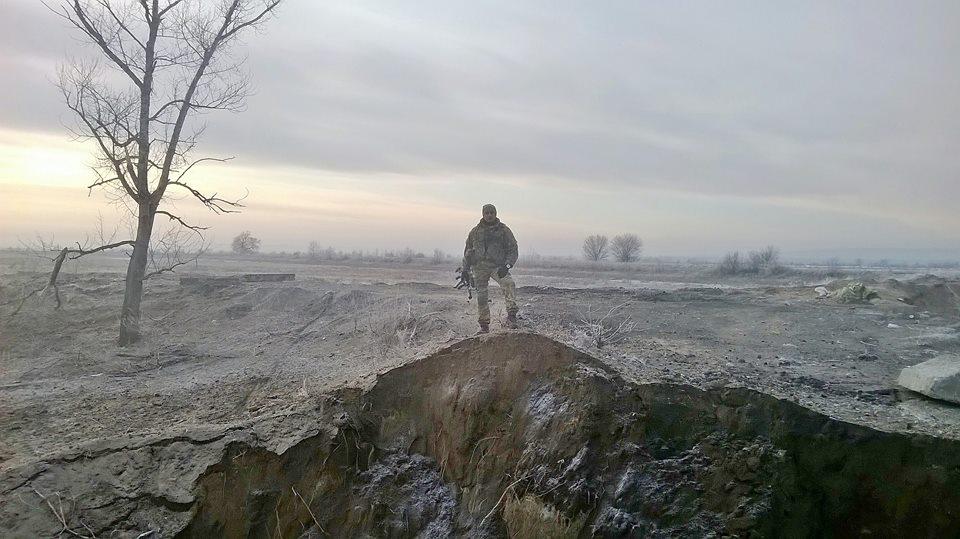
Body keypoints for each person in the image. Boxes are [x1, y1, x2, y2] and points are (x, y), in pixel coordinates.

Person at [462, 204, 519, 333]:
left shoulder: (504, 230)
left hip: (498, 266)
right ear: (483, 214)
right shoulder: (475, 232)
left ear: (495, 214)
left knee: (509, 284)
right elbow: (468, 251)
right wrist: (465, 269)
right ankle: (484, 325)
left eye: (491, 213)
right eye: (486, 213)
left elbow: (513, 249)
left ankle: (511, 316)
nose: (489, 215)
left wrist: (507, 265)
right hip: (479, 267)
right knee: (481, 295)